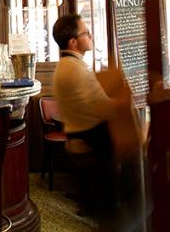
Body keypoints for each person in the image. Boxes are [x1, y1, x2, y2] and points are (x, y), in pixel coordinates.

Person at [52, 14, 132, 227]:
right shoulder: (76, 70)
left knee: (103, 203)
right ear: (73, 42)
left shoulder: (65, 66)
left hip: (80, 140)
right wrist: (126, 96)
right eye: (86, 33)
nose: (91, 35)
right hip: (93, 142)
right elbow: (104, 108)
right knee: (110, 208)